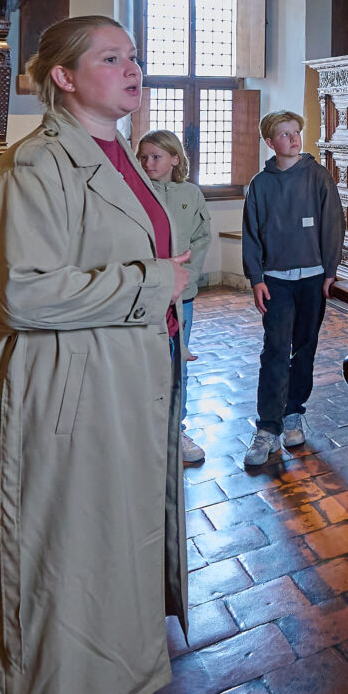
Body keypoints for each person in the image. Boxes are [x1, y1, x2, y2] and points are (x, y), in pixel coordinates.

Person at [0, 15, 191, 694]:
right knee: (44, 592)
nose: (133, 67)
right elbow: (25, 292)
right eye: (111, 57)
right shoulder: (33, 165)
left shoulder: (113, 154)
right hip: (57, 405)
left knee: (93, 573)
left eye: (134, 56)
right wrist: (151, 283)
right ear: (61, 77)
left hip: (111, 394)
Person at [241, 109, 345, 467]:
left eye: (295, 132)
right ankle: (267, 428)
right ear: (270, 142)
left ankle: (293, 414)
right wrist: (256, 277)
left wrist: (330, 270)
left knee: (305, 348)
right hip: (275, 281)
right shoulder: (260, 184)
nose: (293, 138)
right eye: (283, 134)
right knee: (274, 350)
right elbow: (251, 235)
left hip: (313, 279)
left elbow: (333, 224)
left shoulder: (318, 176)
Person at [138, 129, 211, 464]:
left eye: (156, 156)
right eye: (143, 157)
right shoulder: (133, 193)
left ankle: (175, 431)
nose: (149, 163)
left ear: (175, 159)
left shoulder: (190, 194)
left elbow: (200, 240)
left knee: (176, 362)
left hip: (183, 299)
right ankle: (145, 433)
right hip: (144, 293)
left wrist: (183, 282)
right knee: (143, 363)